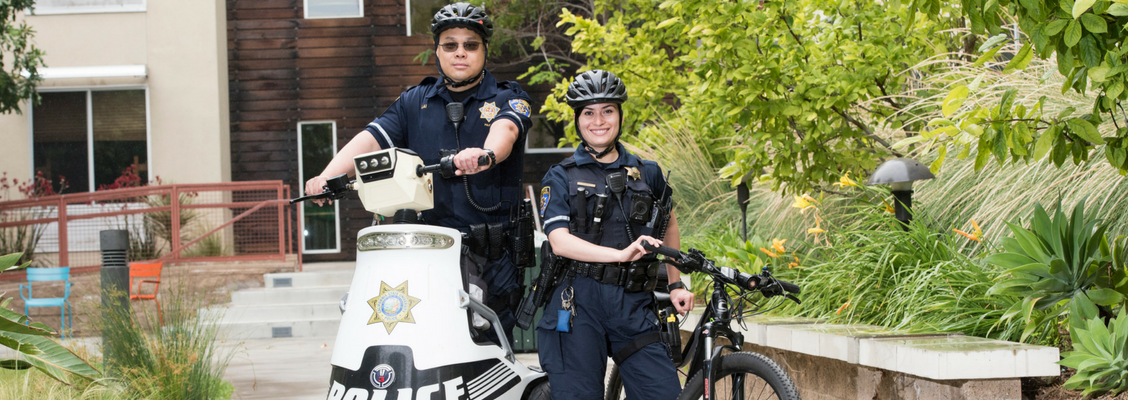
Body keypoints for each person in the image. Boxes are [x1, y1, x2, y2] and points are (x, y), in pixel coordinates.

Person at [304, 2, 533, 344]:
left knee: (487, 352)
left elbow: (506, 133)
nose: (460, 53)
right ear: (437, 51)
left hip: (492, 258)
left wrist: (485, 155)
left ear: (484, 50)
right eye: (450, 45)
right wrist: (326, 176)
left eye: (470, 45)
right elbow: (370, 138)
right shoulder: (415, 101)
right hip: (426, 255)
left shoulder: (508, 98)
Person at [536, 70, 695, 400]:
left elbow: (670, 225)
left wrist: (676, 283)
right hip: (577, 303)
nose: (599, 121)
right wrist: (619, 255)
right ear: (577, 119)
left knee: (664, 395)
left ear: (620, 115)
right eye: (588, 113)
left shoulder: (647, 172)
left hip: (632, 304)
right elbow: (559, 240)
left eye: (607, 110)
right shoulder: (561, 176)